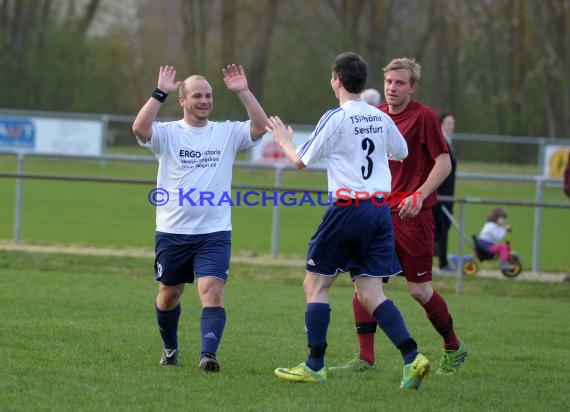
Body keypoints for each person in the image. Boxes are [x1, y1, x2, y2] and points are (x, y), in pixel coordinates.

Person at [266, 52, 430, 389]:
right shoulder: (380, 116)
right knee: (370, 291)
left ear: (336, 80)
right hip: (380, 211)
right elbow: (401, 151)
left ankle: (314, 364)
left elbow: (302, 160)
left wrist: (283, 141)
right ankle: (413, 357)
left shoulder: (336, 117)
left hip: (348, 209)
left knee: (315, 285)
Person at [332, 58, 467, 376]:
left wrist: (419, 196)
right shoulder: (375, 116)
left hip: (413, 217)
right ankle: (366, 358)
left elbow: (444, 163)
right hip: (379, 214)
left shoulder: (424, 118)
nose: (392, 88)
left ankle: (453, 346)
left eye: (400, 83)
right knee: (365, 285)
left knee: (419, 290)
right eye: (389, 82)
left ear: (413, 87)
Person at [132, 64, 268, 371]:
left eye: (208, 95)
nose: (204, 100)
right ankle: (170, 349)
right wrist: (160, 92)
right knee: (169, 295)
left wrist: (243, 91)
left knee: (212, 291)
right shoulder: (167, 134)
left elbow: (260, 126)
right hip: (172, 231)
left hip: (214, 231)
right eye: (197, 96)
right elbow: (140, 128)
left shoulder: (226, 132)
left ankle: (208, 355)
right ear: (183, 100)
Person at [433, 113, 457, 271]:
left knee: (444, 227)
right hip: (440, 195)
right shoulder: (441, 143)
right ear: (441, 124)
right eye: (448, 123)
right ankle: (442, 262)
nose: (451, 126)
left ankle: (439, 259)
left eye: (452, 123)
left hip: (448, 194)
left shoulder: (448, 142)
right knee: (440, 228)